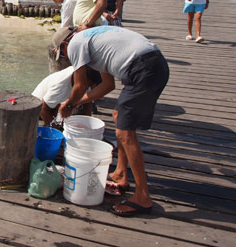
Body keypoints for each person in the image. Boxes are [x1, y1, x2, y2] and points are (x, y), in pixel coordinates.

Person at [52, 25, 169, 217]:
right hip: (153, 64)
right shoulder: (93, 40)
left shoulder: (75, 44)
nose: (67, 58)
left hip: (143, 68)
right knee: (118, 116)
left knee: (125, 133)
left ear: (65, 43)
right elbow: (108, 85)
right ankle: (121, 174)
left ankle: (143, 196)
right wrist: (78, 102)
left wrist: (69, 105)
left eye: (63, 54)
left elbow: (80, 85)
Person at [32, 66, 102, 127]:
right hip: (37, 110)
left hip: (56, 104)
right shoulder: (60, 85)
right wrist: (54, 127)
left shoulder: (83, 76)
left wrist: (87, 124)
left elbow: (88, 105)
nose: (87, 88)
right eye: (87, 86)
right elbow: (43, 108)